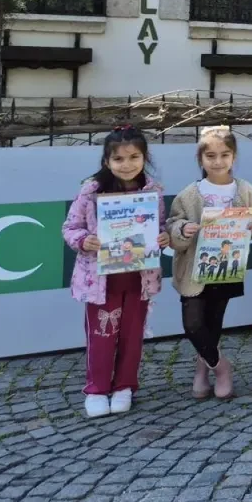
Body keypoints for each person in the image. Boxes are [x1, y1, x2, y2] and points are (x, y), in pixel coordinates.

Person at [61, 126, 170, 418]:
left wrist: (163, 236)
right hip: (100, 280)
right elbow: (70, 227)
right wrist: (84, 240)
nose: (127, 164)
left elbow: (160, 225)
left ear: (144, 158)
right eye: (119, 159)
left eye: (134, 157)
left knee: (132, 335)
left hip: (139, 277)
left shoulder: (152, 191)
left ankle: (124, 386)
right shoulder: (91, 190)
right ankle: (96, 389)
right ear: (106, 161)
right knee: (102, 334)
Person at [167, 126, 252, 399]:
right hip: (193, 270)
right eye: (210, 156)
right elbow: (173, 223)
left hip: (226, 268)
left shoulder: (244, 189)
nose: (218, 161)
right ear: (200, 159)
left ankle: (202, 372)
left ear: (233, 156)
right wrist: (182, 228)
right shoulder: (189, 194)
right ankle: (222, 368)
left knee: (213, 324)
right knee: (193, 324)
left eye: (224, 155)